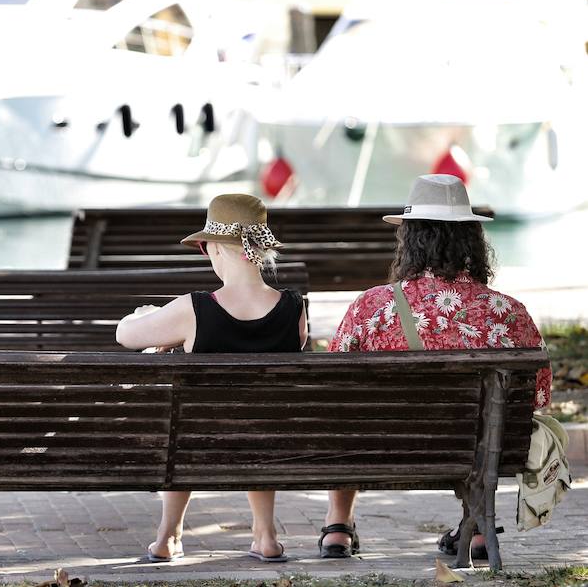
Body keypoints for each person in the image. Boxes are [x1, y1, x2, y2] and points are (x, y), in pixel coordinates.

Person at [322, 174, 552, 559]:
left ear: (410, 239)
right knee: (486, 424)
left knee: (348, 415)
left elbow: (333, 385)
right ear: (471, 241)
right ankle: (477, 526)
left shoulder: (371, 307)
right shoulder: (509, 312)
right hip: (478, 449)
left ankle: (338, 527)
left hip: (379, 447)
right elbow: (539, 396)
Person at [116, 194, 308, 563]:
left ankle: (168, 536)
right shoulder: (295, 307)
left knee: (183, 419)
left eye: (205, 248)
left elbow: (126, 336)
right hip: (266, 438)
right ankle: (266, 535)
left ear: (217, 250)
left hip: (196, 438)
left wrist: (142, 317)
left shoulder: (195, 307)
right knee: (257, 417)